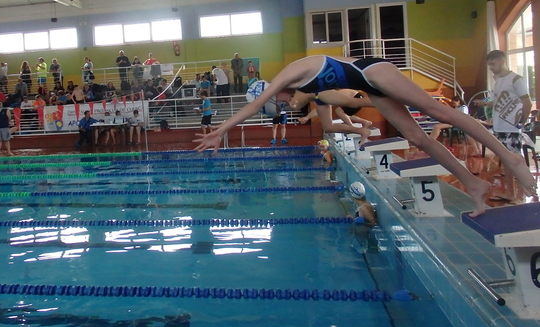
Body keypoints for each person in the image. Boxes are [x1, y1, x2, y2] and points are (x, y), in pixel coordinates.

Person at [193, 55, 536, 217]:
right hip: (368, 90)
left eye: (280, 101)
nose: (285, 104)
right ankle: (473, 184)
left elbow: (254, 108)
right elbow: (335, 103)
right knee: (416, 137)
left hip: (372, 71)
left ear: (273, 91)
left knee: (440, 112)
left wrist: (220, 130)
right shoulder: (309, 95)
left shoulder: (290, 75)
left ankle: (510, 156)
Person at [485, 50, 533, 201]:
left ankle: (525, 193)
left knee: (515, 162)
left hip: (511, 128)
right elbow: (497, 101)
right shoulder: (498, 81)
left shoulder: (516, 79)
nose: (491, 67)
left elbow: (527, 102)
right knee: (506, 163)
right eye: (489, 65)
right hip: (499, 127)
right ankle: (510, 193)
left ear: (501, 61)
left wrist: (521, 122)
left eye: (492, 64)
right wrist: (485, 103)